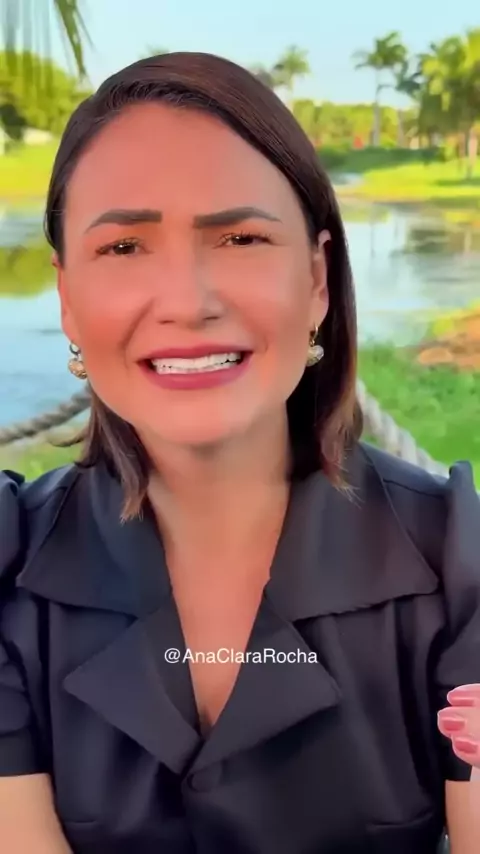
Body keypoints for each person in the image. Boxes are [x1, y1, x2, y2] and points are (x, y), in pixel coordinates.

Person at [0, 52, 479, 854]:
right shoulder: (7, 566)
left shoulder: (458, 563)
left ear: (317, 279)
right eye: (124, 248)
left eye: (241, 237)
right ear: (67, 296)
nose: (188, 303)